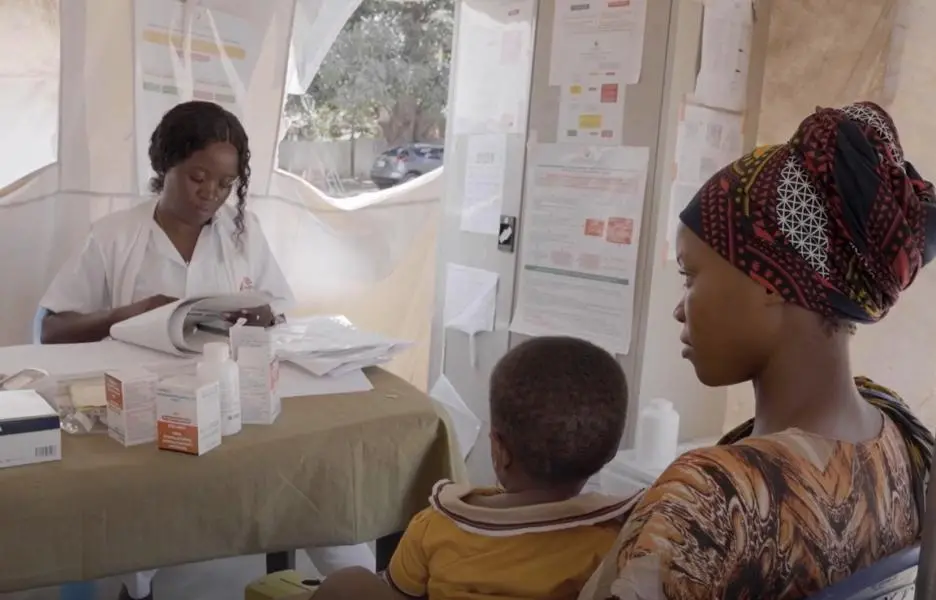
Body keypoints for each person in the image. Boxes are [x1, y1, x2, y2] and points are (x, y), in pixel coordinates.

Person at [315, 101, 936, 600]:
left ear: (771, 281)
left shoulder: (710, 503)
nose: (679, 306)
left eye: (692, 277)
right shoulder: (903, 439)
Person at [39, 101, 375, 599]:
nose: (211, 195)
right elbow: (52, 329)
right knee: (142, 524)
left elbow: (279, 306)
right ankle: (140, 583)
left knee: (313, 490)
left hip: (234, 402)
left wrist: (260, 314)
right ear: (165, 165)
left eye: (225, 184)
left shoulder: (243, 234)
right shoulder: (114, 236)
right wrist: (125, 314)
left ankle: (368, 581)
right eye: (198, 177)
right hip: (146, 411)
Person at [312, 336, 634, 600]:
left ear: (499, 449)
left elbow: (397, 594)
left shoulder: (438, 524)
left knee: (349, 583)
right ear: (607, 454)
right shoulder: (608, 543)